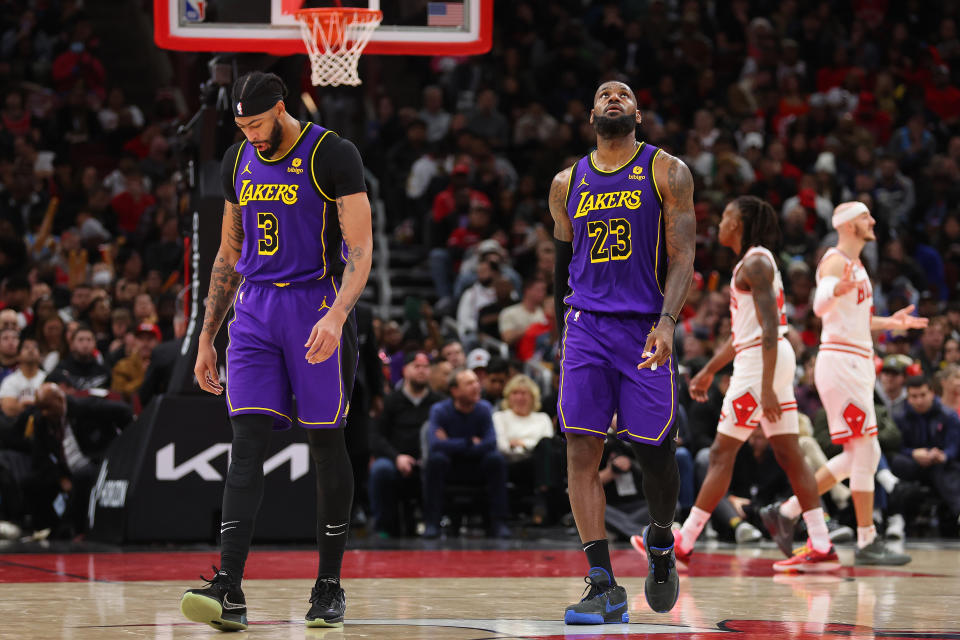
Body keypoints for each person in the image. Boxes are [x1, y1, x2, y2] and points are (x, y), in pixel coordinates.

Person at [181, 71, 372, 632]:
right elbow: (228, 250)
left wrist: (337, 315)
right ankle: (229, 588)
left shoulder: (332, 153)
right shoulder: (238, 160)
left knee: (326, 444)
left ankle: (329, 585)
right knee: (245, 445)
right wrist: (206, 333)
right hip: (256, 312)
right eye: (242, 126)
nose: (251, 134)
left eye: (258, 123)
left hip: (315, 305)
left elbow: (360, 249)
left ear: (281, 108)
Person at [551, 81, 695, 622]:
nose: (614, 97)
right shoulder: (566, 182)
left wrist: (667, 321)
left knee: (655, 451)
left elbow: (683, 255)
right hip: (586, 325)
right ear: (591, 113)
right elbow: (561, 264)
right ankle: (602, 583)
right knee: (580, 449)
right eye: (604, 94)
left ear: (638, 112)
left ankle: (660, 542)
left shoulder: (666, 171)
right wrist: (558, 332)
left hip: (643, 328)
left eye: (624, 93)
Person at [672, 196, 839, 573]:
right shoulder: (750, 263)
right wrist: (710, 369)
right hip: (763, 357)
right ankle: (821, 543)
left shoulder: (757, 262)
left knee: (720, 453)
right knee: (789, 454)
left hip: (761, 362)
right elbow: (743, 333)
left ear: (742, 223)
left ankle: (684, 542)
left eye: (727, 215)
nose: (721, 221)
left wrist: (764, 387)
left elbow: (766, 330)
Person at [762, 202, 925, 566]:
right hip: (842, 363)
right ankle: (866, 540)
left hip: (857, 361)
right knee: (865, 452)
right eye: (867, 217)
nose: (874, 221)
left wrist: (894, 324)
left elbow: (858, 320)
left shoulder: (858, 267)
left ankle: (787, 512)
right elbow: (820, 305)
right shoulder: (835, 261)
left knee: (862, 455)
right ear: (850, 225)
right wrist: (837, 290)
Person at [422, 368, 510, 539]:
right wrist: (470, 442)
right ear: (454, 390)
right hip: (450, 467)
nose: (477, 386)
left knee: (496, 460)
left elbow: (491, 443)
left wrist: (451, 442)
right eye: (469, 383)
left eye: (477, 382)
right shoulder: (439, 410)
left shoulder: (484, 408)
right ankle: (432, 522)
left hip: (476, 466)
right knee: (435, 460)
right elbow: (435, 444)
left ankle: (499, 523)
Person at [368, 351, 443, 536]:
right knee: (380, 469)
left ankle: (434, 525)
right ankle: (383, 528)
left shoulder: (438, 402)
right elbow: (376, 437)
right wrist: (397, 457)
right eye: (416, 367)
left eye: (426, 367)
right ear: (404, 371)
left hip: (428, 460)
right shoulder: (390, 401)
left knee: (440, 464)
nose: (422, 371)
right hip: (397, 459)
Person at [892, 376, 960, 532]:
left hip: (941, 465)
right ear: (908, 397)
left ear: (932, 393)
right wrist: (913, 453)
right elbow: (896, 446)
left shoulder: (948, 415)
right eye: (914, 396)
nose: (919, 401)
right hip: (913, 464)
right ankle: (892, 519)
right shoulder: (899, 416)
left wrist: (944, 455)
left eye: (923, 395)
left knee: (948, 471)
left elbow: (955, 445)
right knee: (896, 462)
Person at [0, 337, 45, 417]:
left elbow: (52, 408)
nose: (31, 350)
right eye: (26, 347)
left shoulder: (47, 379)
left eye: (35, 347)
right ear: (18, 356)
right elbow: (8, 409)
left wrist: (22, 404)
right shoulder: (10, 380)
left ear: (41, 356)